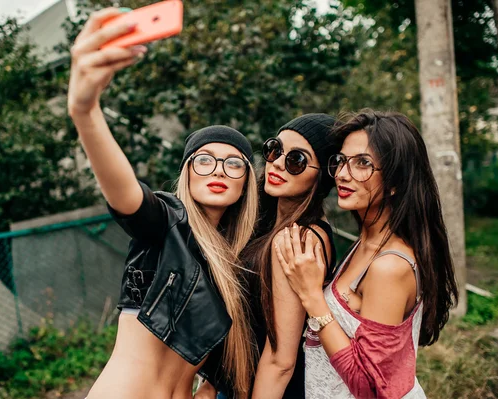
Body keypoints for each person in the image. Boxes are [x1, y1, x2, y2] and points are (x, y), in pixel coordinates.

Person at [67, 8, 258, 399]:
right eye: (204, 159)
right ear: (187, 172)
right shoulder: (168, 221)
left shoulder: (236, 265)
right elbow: (126, 197)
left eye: (233, 163)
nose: (217, 169)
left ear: (245, 184)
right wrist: (86, 112)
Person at [275, 110, 458, 398]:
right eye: (341, 161)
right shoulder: (366, 242)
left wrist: (312, 296)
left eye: (363, 164)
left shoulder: (390, 266)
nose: (343, 175)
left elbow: (370, 387)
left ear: (396, 182)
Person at [198, 114, 340, 398]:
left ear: (322, 175)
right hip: (234, 384)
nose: (277, 163)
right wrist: (212, 381)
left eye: (296, 160)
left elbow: (280, 361)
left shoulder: (300, 240)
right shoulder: (263, 222)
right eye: (275, 149)